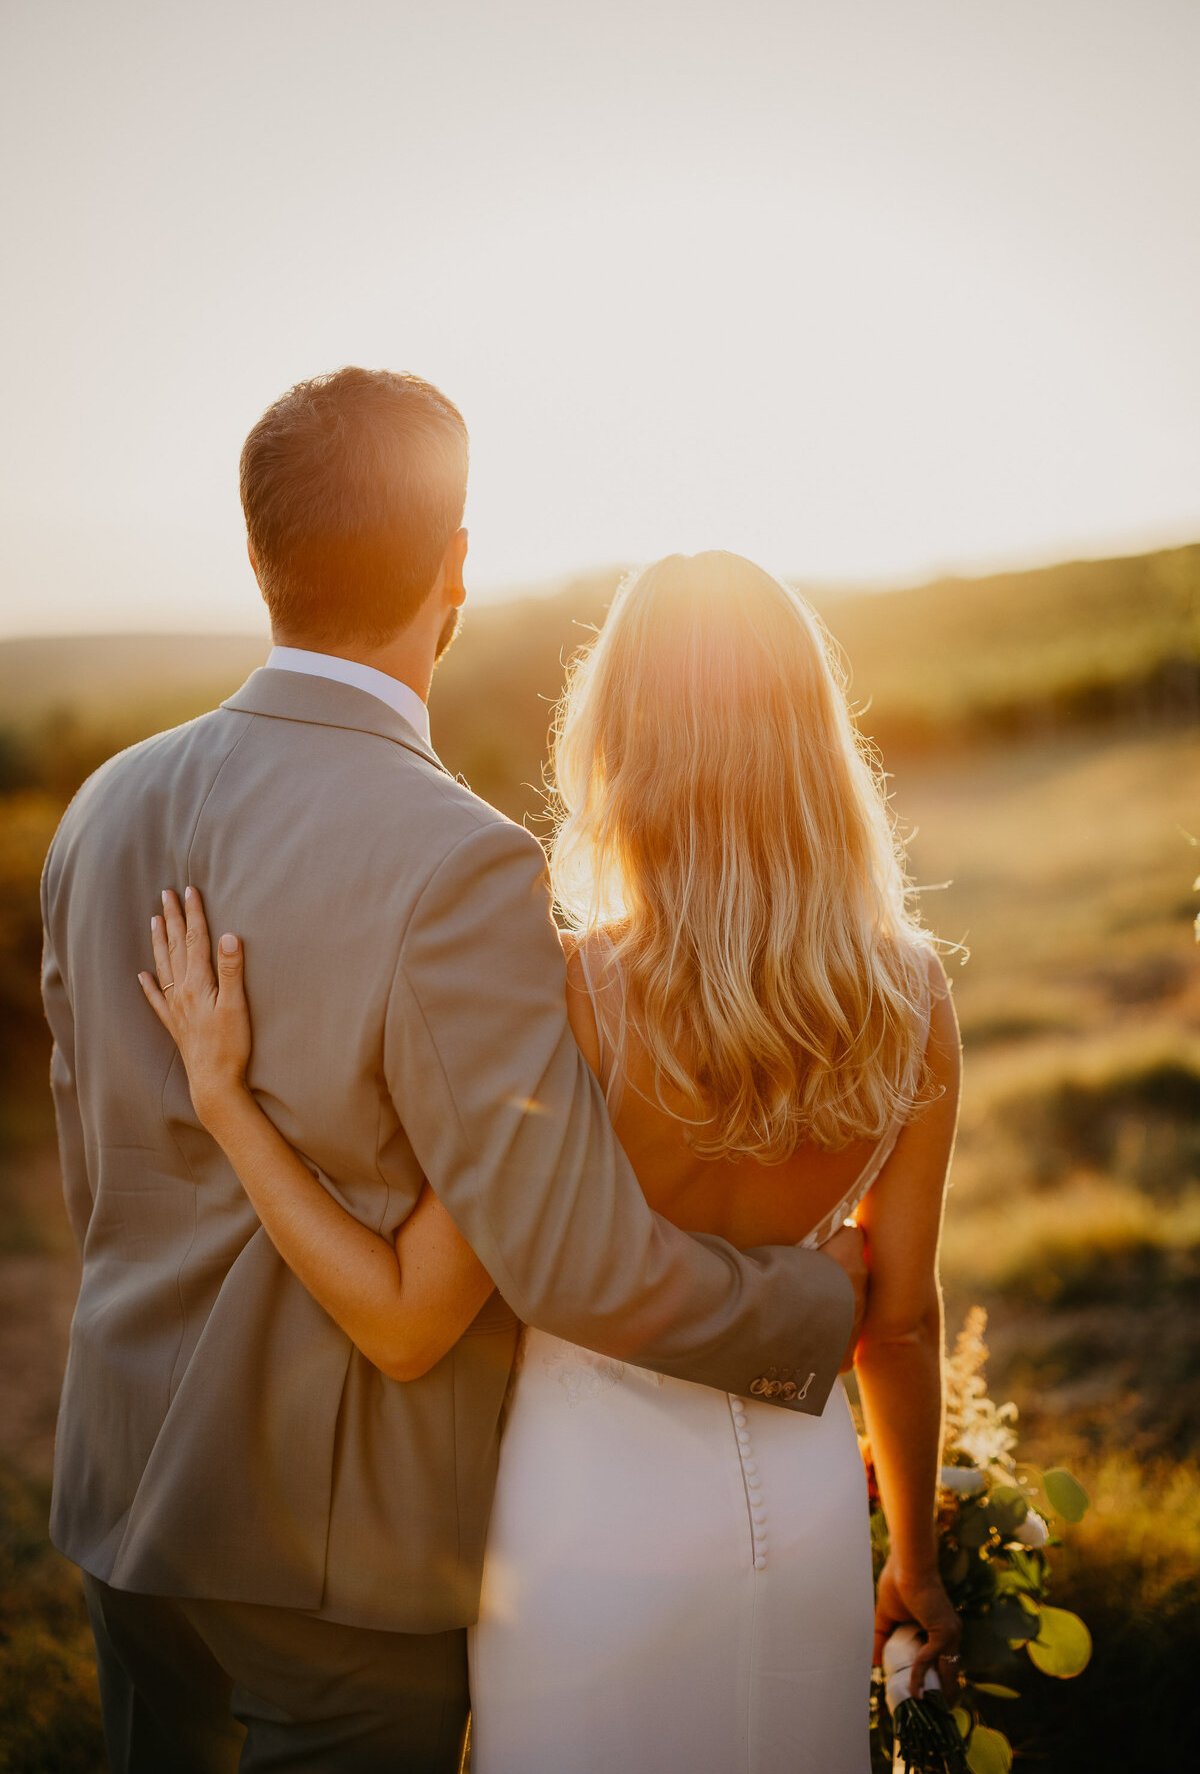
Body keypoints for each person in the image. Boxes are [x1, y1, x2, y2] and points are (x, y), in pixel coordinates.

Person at [41, 370, 869, 1774]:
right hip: (341, 1558)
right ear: (458, 567)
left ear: (258, 557)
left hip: (126, 1509)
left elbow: (101, 1167)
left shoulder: (103, 808)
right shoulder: (462, 862)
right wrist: (814, 1302)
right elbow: (577, 1264)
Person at [139, 546, 963, 1771]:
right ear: (813, 739)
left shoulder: (573, 996)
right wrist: (914, 1559)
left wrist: (228, 1102)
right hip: (802, 1522)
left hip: (587, 1530)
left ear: (616, 741)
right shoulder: (910, 992)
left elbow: (406, 1307)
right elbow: (898, 1325)